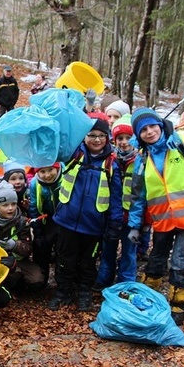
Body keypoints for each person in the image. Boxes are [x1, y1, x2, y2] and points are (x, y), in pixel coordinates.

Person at [127, 108, 184, 325]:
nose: (150, 132)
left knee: (181, 260)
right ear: (138, 134)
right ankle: (149, 295)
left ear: (160, 125)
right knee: (156, 257)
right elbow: (138, 196)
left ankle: (178, 304)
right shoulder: (142, 159)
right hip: (163, 219)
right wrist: (134, 225)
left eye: (152, 126)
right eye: (143, 130)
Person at [47, 114, 123, 312]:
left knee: (88, 262)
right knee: (65, 259)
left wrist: (115, 224)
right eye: (92, 135)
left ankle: (84, 292)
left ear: (107, 138)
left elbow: (116, 199)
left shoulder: (111, 165)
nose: (96, 140)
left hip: (94, 225)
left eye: (101, 135)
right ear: (84, 137)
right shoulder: (74, 155)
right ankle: (63, 291)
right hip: (66, 220)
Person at [94, 115, 138, 291]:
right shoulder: (111, 160)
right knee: (108, 247)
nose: (124, 142)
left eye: (128, 138)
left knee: (129, 251)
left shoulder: (140, 161)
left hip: (132, 215)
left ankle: (126, 282)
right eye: (120, 138)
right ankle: (104, 277)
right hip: (112, 213)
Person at [0, 181, 44, 292]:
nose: (10, 208)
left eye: (13, 204)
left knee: (37, 279)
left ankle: (17, 286)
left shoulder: (22, 221)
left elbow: (28, 250)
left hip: (18, 260)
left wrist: (14, 245)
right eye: (5, 205)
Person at [27, 162, 62, 288]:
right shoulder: (35, 184)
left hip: (63, 220)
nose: (47, 175)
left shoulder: (64, 179)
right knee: (41, 249)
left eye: (50, 170)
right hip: (45, 220)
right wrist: (37, 231)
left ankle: (61, 282)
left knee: (62, 251)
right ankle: (40, 281)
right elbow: (33, 206)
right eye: (42, 171)